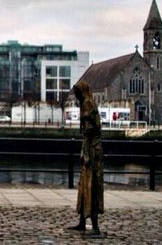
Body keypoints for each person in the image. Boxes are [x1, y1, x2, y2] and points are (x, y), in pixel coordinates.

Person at [68, 80, 104, 237]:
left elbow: (89, 131)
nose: (76, 97)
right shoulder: (85, 103)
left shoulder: (88, 104)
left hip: (92, 151)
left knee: (91, 186)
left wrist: (87, 153)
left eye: (77, 94)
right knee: (84, 185)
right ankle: (82, 221)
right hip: (88, 148)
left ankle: (95, 227)